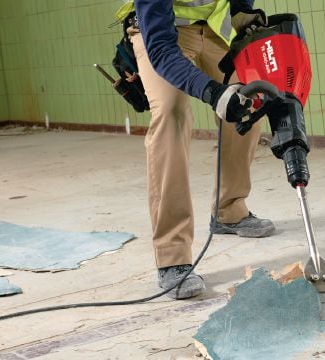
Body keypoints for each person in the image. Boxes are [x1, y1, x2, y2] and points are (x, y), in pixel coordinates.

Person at [125, 0, 274, 300]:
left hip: (214, 32)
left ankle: (228, 210)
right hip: (161, 35)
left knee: (248, 96)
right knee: (172, 111)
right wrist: (213, 93)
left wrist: (244, 15)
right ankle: (172, 256)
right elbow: (163, 52)